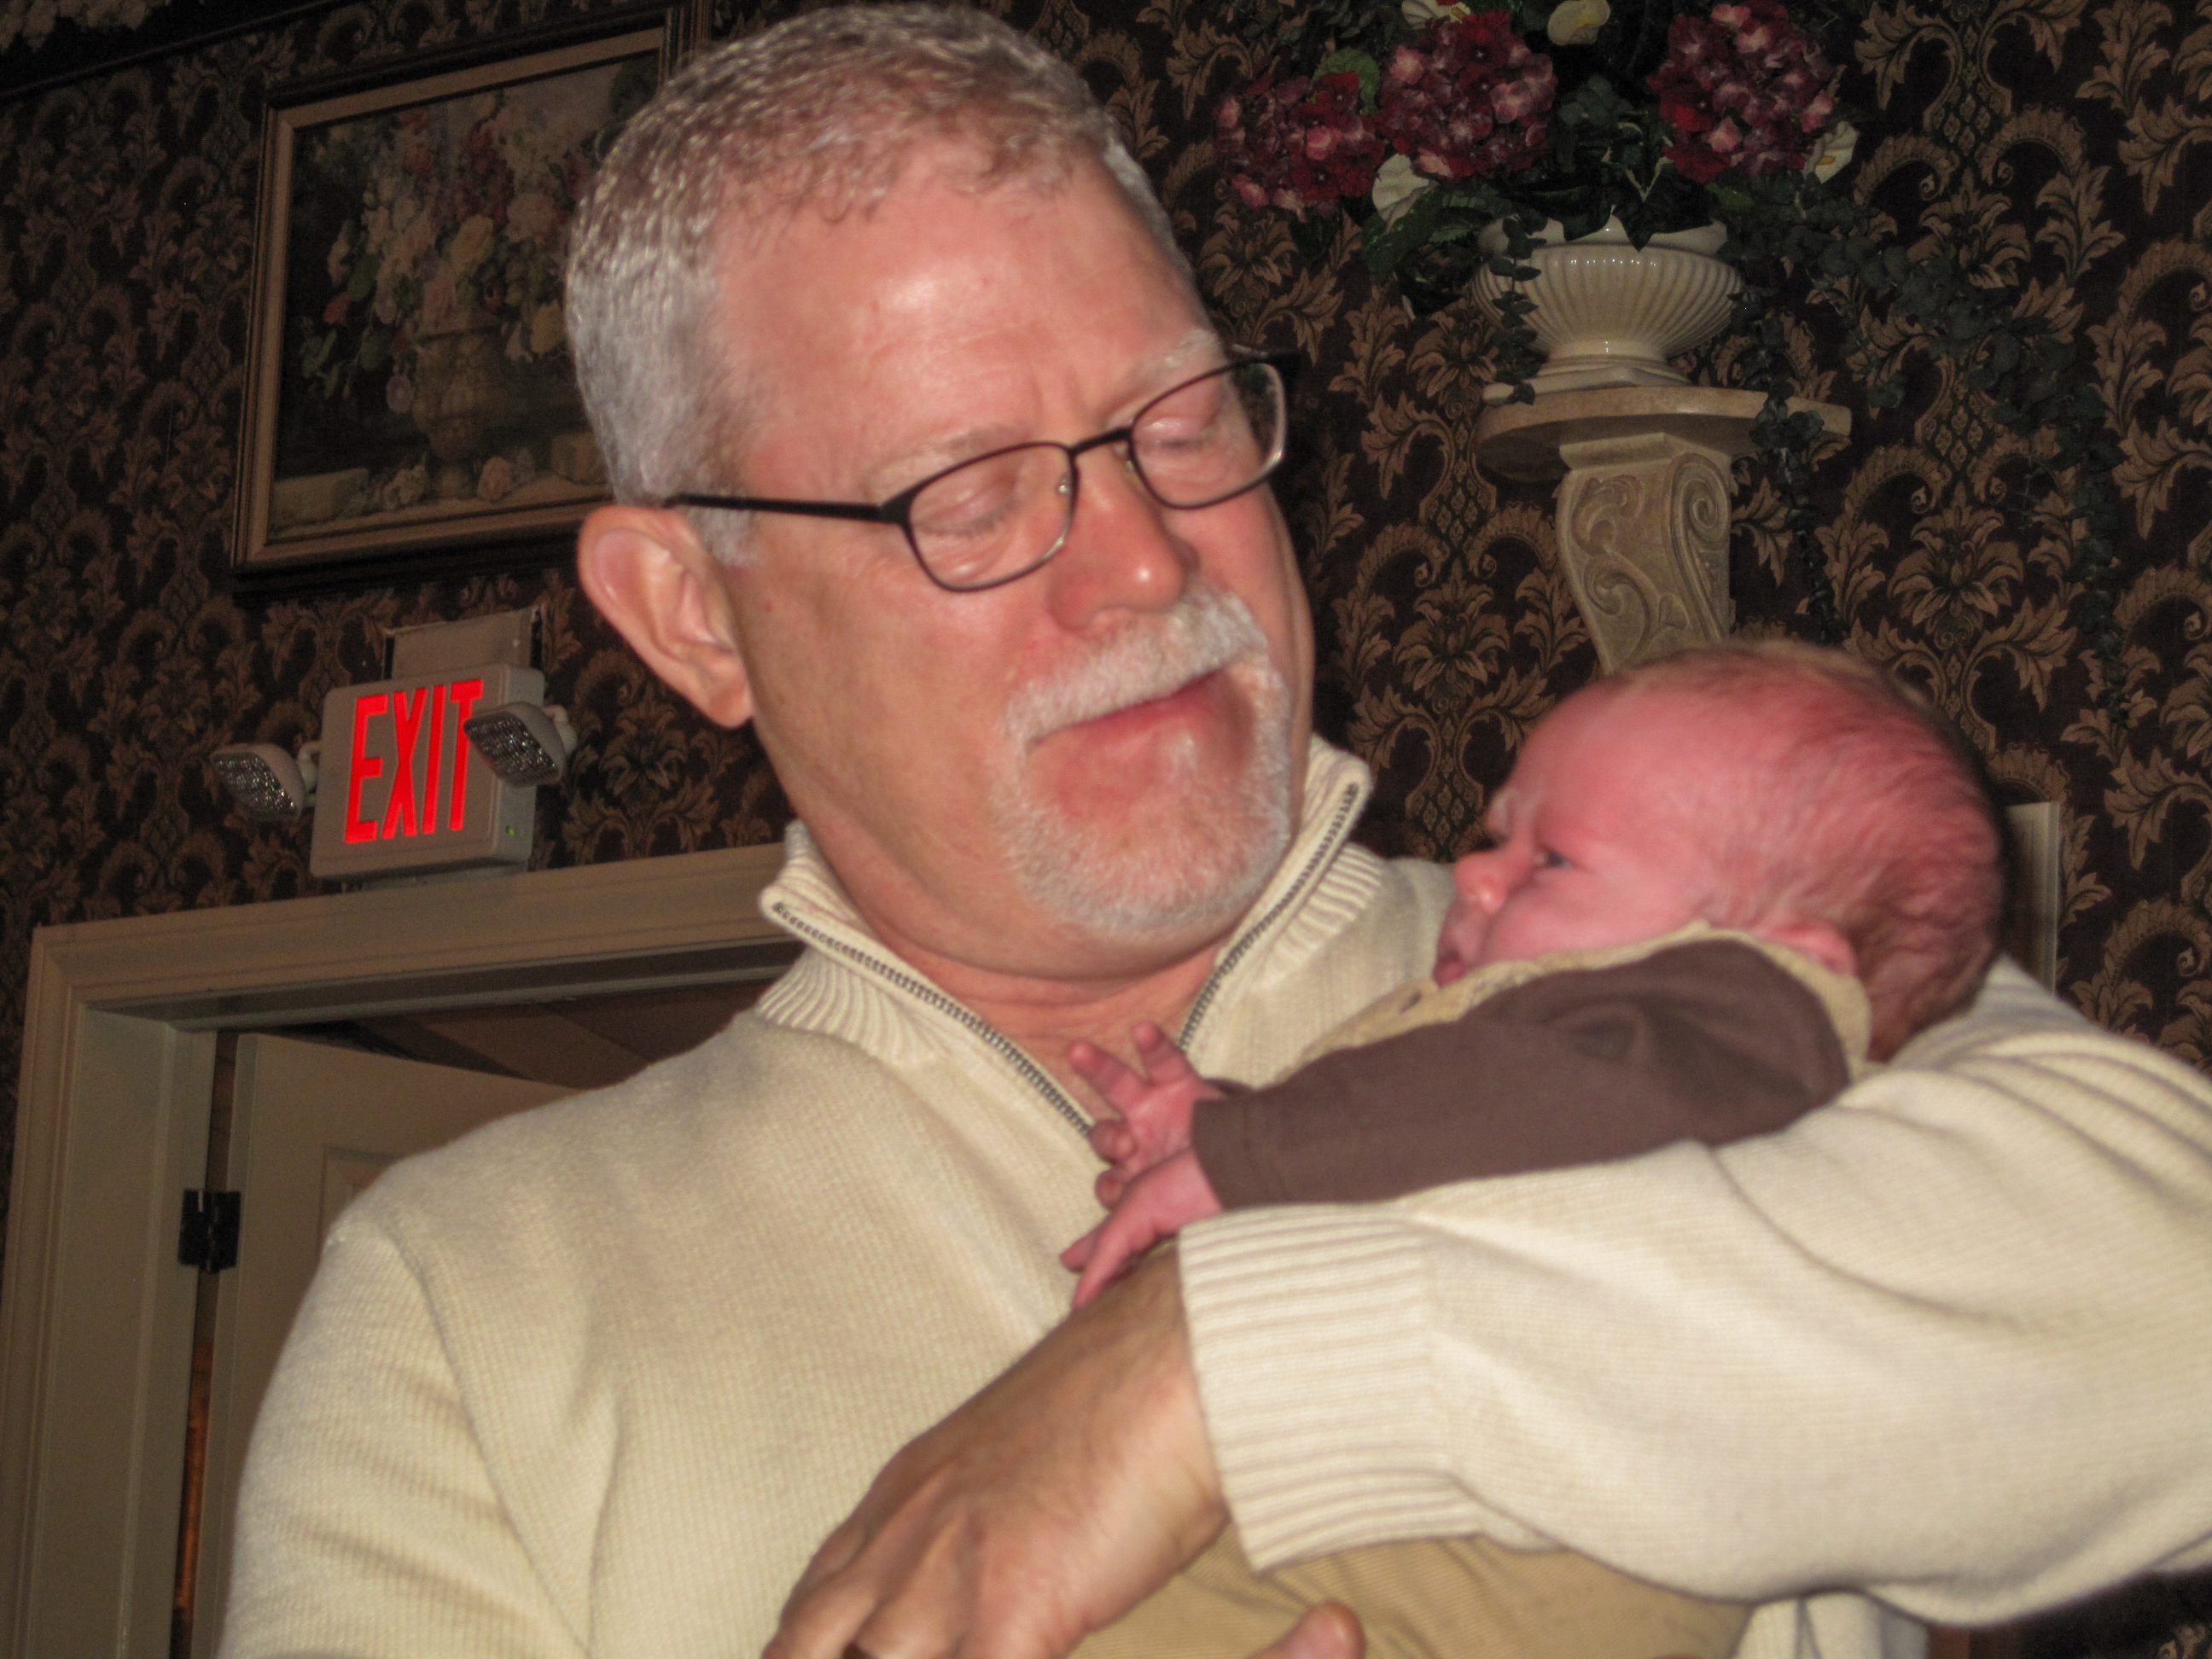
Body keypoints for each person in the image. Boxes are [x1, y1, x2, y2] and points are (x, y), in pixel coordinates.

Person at [217, 9, 2212, 1659]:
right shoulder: (464, 1301)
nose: (1148, 560)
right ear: (691, 613)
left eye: (1182, 426)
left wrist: (1208, 1373)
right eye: (969, 494)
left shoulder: (1683, 933)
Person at [1064, 642, 2004, 1309]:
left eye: (1552, 860)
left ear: (1781, 957)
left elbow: (1546, 1099)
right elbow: (1420, 1141)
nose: (1473, 874)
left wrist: (1251, 1153)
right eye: (1498, 836)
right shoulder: (1576, 1050)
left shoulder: (1734, 1020)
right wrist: (1228, 1125)